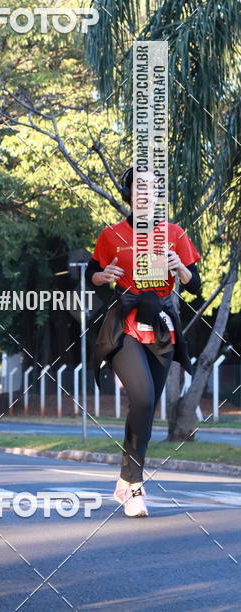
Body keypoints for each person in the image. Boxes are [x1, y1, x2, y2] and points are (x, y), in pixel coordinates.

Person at [88, 167, 201, 518]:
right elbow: (94, 274)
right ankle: (135, 486)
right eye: (139, 187)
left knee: (146, 408)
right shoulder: (111, 235)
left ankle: (125, 476)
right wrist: (102, 276)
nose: (146, 193)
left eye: (152, 188)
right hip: (124, 326)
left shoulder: (174, 233)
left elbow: (194, 283)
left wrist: (180, 267)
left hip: (162, 328)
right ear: (128, 193)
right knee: (143, 396)